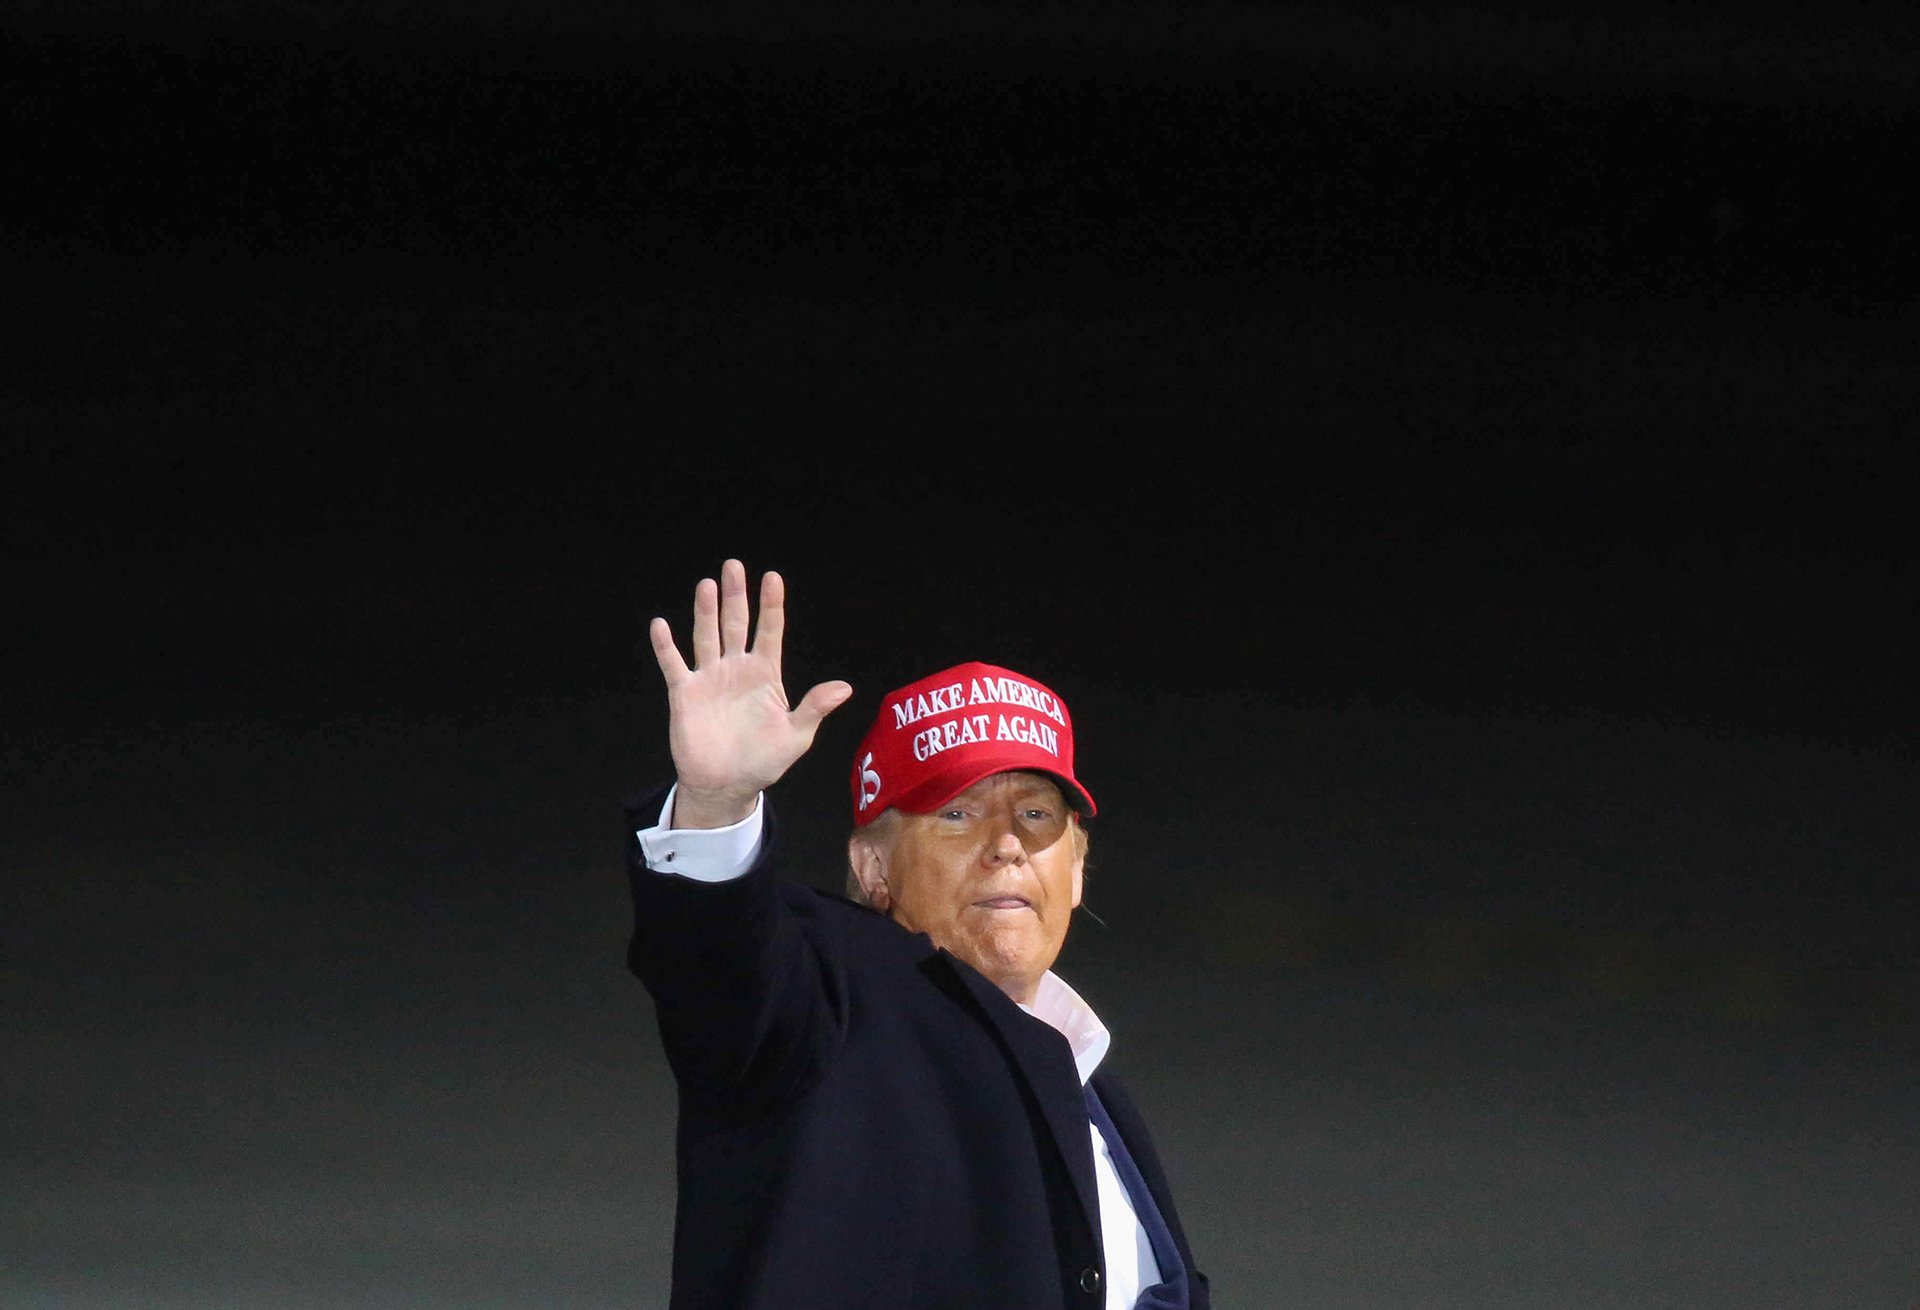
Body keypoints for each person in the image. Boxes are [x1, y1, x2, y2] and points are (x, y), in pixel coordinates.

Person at [627, 560, 1208, 1310]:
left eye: (1036, 815)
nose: (1007, 845)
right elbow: (720, 972)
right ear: (873, 869)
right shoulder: (830, 1010)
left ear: (1076, 868)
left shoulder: (1092, 1086)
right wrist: (716, 805)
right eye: (958, 815)